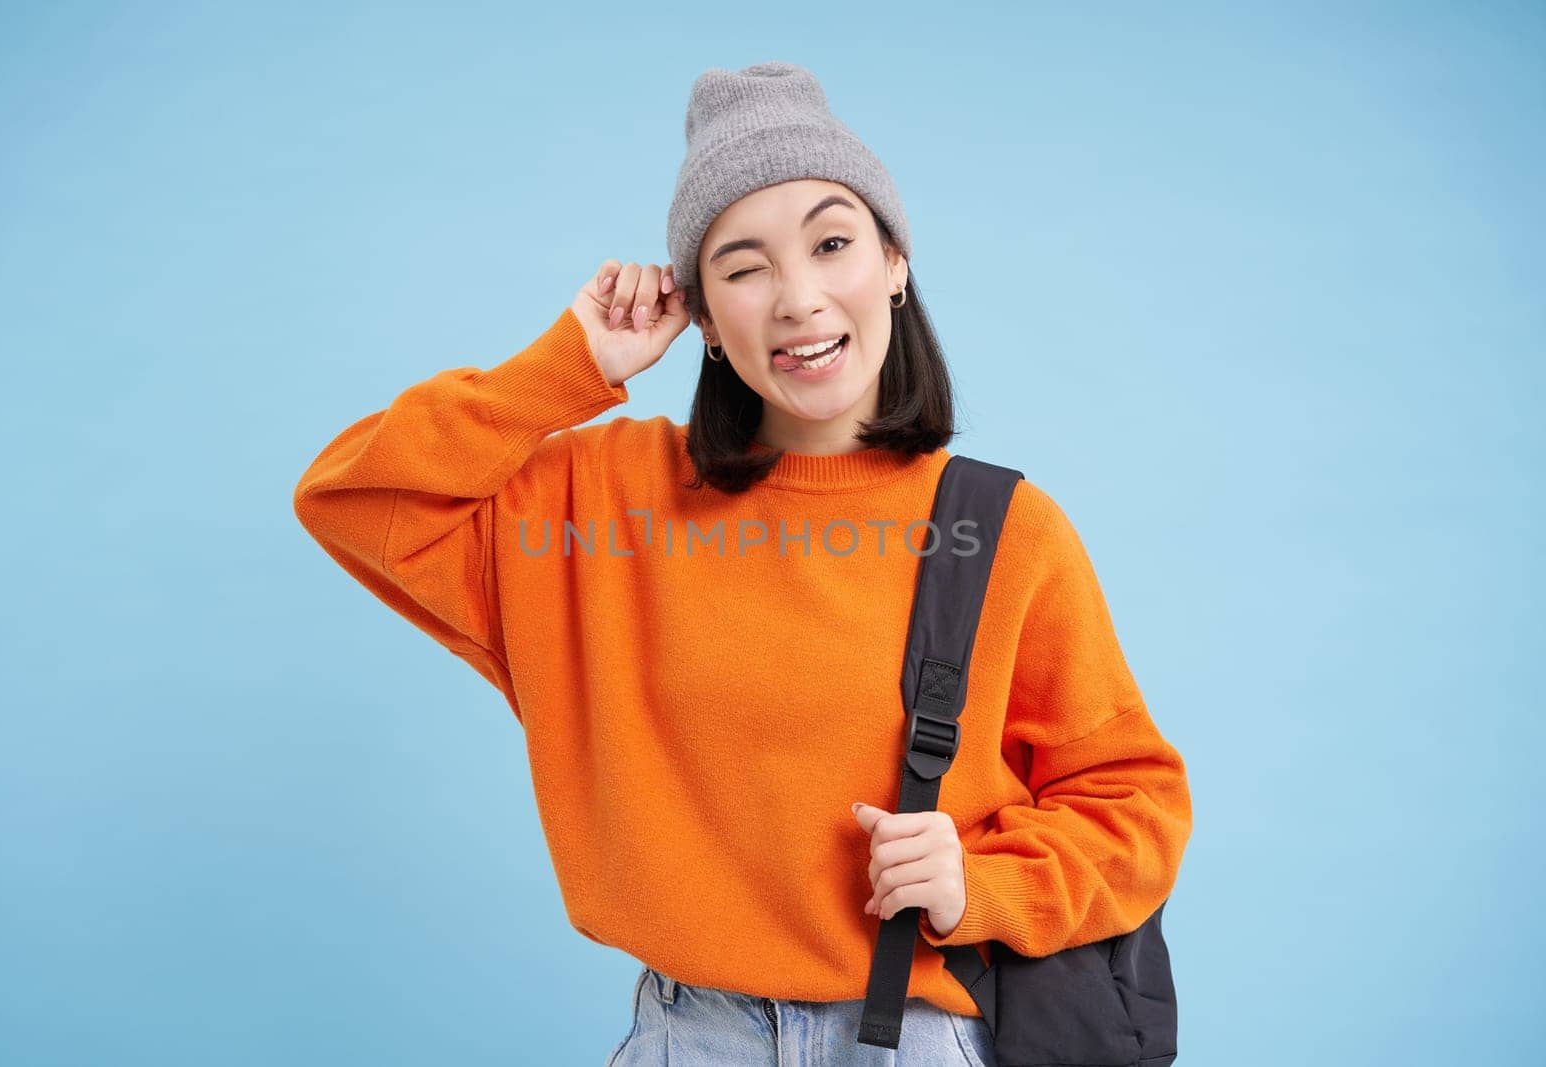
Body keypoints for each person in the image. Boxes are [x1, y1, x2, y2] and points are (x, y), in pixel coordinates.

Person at [293, 61, 1193, 1066]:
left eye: (833, 242)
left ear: (895, 262)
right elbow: (351, 496)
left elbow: (1133, 805)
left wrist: (979, 883)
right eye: (744, 266)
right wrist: (567, 366)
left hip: (920, 1036)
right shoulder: (597, 508)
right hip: (691, 1034)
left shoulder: (998, 528)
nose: (799, 298)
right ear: (706, 320)